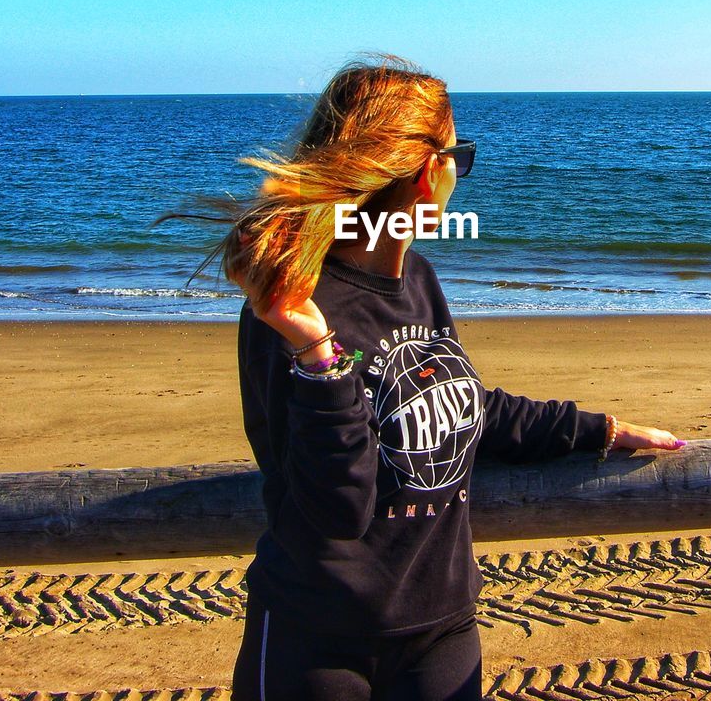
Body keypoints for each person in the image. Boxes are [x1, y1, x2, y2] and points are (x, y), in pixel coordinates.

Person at [199, 54, 685, 701]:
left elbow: (462, 408)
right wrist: (319, 354)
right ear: (430, 174)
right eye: (463, 156)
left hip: (440, 634)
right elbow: (338, 509)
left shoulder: (418, 281)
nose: (462, 173)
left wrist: (597, 429)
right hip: (316, 644)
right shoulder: (291, 307)